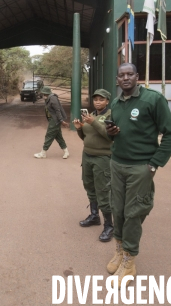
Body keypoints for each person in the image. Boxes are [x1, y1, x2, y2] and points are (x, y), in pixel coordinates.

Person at [105, 63, 171, 283]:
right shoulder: (115, 103)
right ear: (117, 79)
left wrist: (154, 164)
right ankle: (119, 250)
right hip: (117, 164)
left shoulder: (153, 100)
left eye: (130, 74)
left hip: (141, 167)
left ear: (137, 77)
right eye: (121, 75)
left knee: (133, 213)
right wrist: (111, 132)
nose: (125, 78)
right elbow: (115, 134)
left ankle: (129, 261)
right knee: (117, 209)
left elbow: (170, 135)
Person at [73, 88, 114, 242]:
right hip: (87, 156)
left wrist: (93, 122)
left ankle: (109, 225)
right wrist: (79, 129)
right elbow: (86, 137)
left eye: (101, 99)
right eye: (95, 99)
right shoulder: (90, 116)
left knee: (103, 191)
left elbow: (109, 136)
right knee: (89, 186)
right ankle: (94, 216)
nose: (97, 102)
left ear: (107, 101)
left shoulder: (110, 115)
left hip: (103, 158)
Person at [34, 86, 70, 159]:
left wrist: (61, 121)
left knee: (49, 135)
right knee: (58, 136)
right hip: (53, 119)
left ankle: (43, 153)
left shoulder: (53, 98)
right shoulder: (48, 99)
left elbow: (58, 110)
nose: (42, 95)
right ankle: (66, 151)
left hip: (55, 120)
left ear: (46, 93)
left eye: (43, 93)